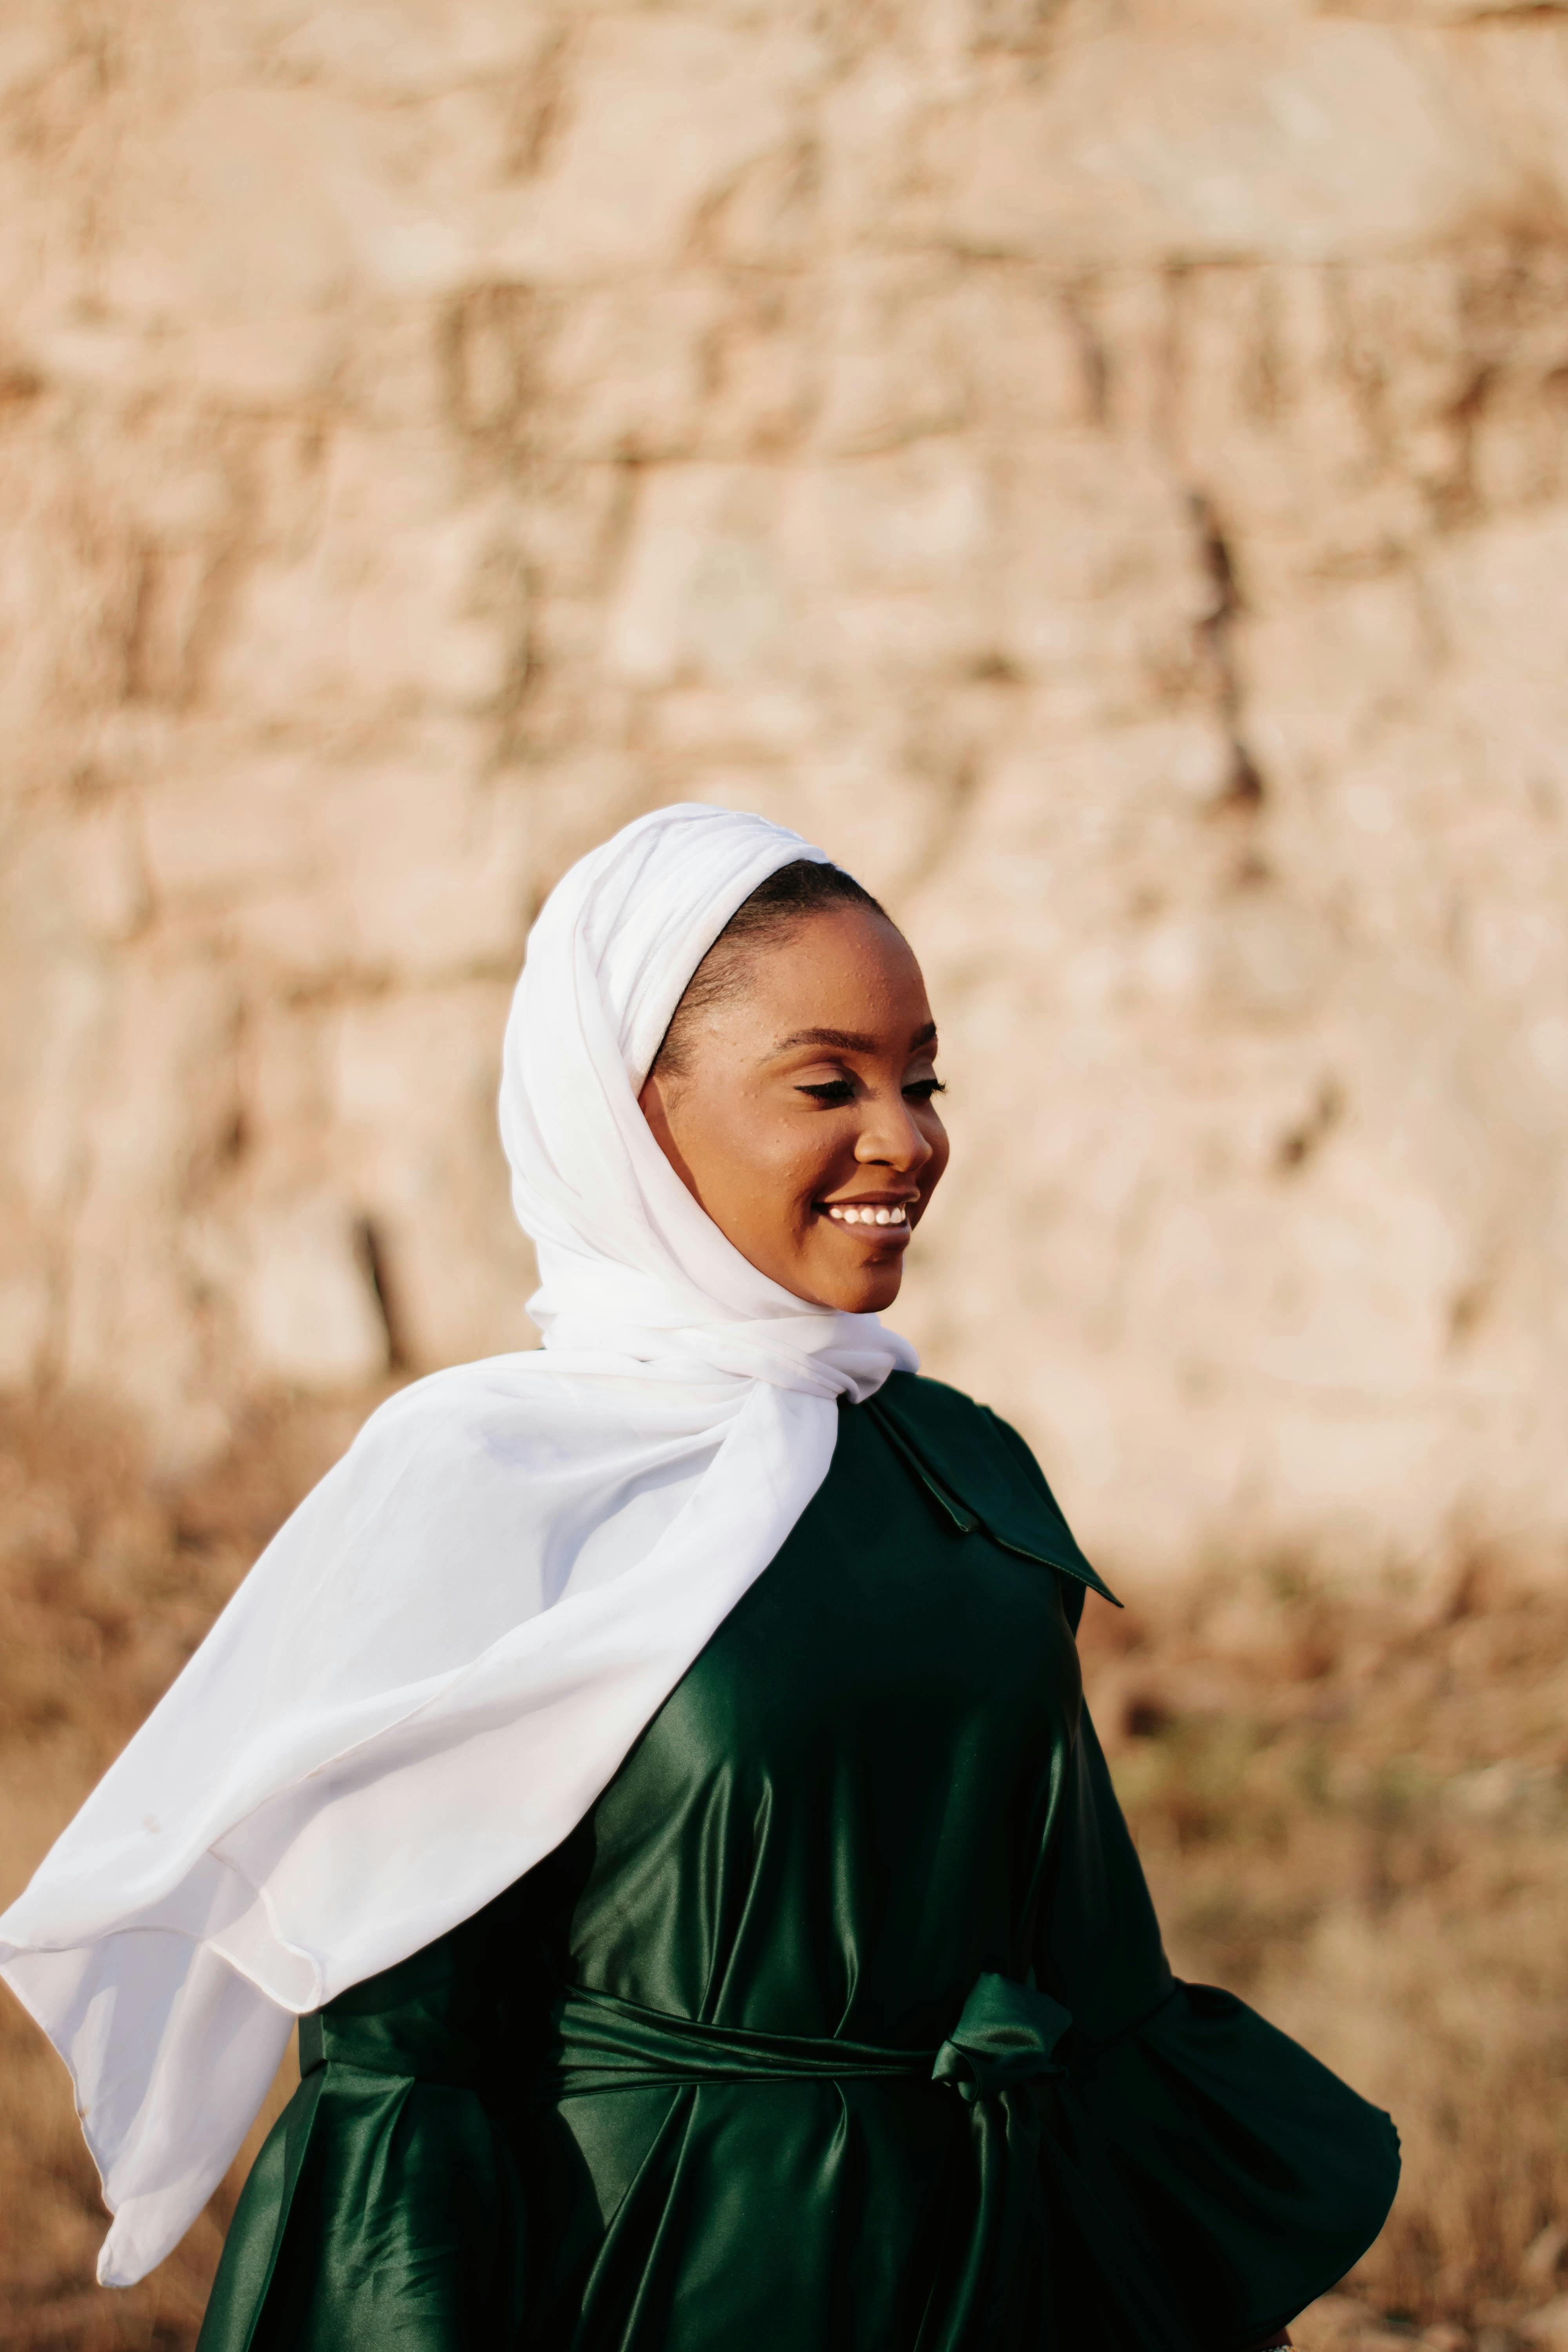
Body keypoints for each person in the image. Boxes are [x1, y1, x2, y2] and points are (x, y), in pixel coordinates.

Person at [0, 805, 1397, 2352]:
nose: (906, 1138)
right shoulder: (480, 1481)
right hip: (661, 2283)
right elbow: (410, 2074)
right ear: (628, 1117)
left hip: (986, 2278)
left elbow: (1095, 1974)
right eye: (829, 1084)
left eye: (920, 1078)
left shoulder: (957, 1464)